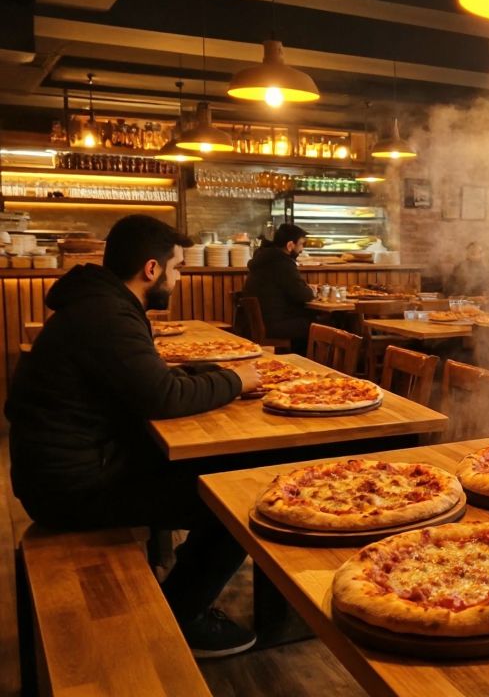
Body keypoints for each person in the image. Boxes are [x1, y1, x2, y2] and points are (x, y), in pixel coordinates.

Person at [5, 215, 262, 657]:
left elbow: (147, 380)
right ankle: (182, 615)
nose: (179, 278)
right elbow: (162, 396)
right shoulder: (107, 315)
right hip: (72, 488)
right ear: (151, 270)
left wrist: (212, 373)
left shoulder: (100, 304)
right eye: (177, 268)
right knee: (236, 500)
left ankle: (181, 592)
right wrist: (237, 380)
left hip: (75, 466)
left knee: (221, 475)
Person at [243, 222, 315, 353]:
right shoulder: (283, 263)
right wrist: (311, 290)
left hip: (258, 324)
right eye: (301, 244)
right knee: (319, 326)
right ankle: (309, 365)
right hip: (274, 325)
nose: (302, 249)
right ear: (290, 245)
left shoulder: (263, 259)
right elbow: (303, 295)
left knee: (309, 321)